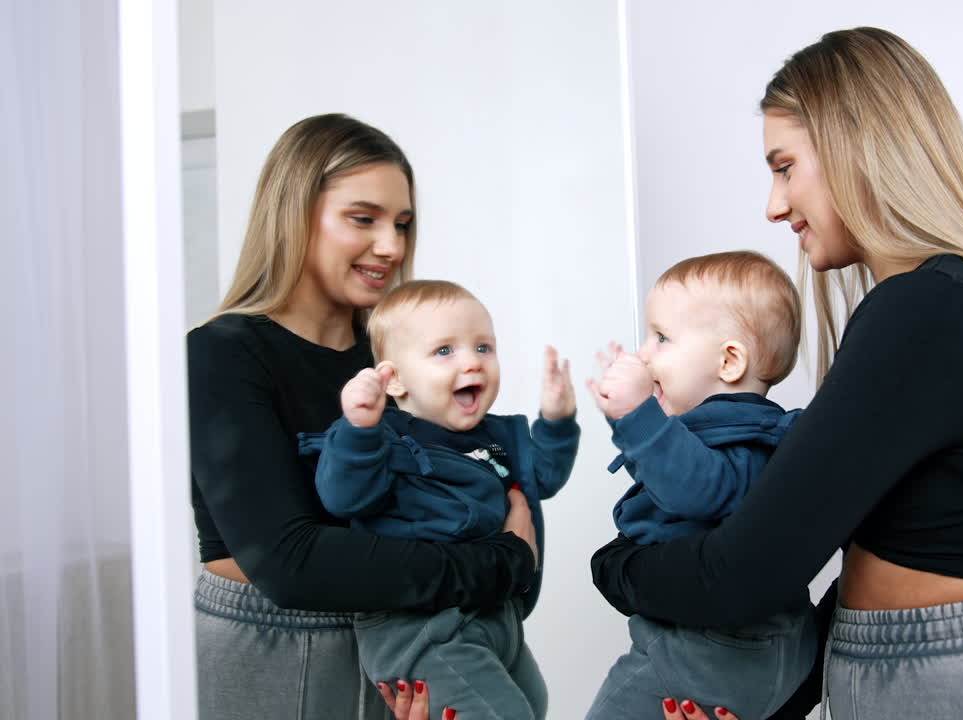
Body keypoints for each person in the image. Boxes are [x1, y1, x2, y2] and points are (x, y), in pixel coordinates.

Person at [591, 27, 963, 719]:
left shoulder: (926, 310)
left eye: (784, 167)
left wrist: (612, 567)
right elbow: (861, 569)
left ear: (855, 147)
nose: (773, 206)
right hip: (921, 675)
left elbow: (740, 577)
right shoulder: (936, 307)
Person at [187, 113, 537, 720]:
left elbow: (484, 498)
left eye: (402, 224)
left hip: (411, 643)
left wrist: (490, 578)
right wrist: (498, 564)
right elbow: (289, 564)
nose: (392, 247)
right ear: (295, 213)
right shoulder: (224, 353)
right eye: (363, 219)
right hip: (278, 649)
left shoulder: (402, 357)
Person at [300, 280, 579, 720]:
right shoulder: (381, 438)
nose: (472, 362)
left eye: (483, 347)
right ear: (394, 380)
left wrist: (557, 420)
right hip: (419, 627)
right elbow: (343, 498)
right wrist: (359, 429)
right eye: (444, 351)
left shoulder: (498, 436)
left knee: (532, 704)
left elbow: (544, 475)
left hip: (495, 616)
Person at [583, 251, 817, 719]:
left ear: (730, 361)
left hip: (706, 650)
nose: (645, 354)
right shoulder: (740, 434)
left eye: (662, 338)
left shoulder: (746, 441)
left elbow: (694, 490)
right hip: (776, 649)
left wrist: (637, 416)